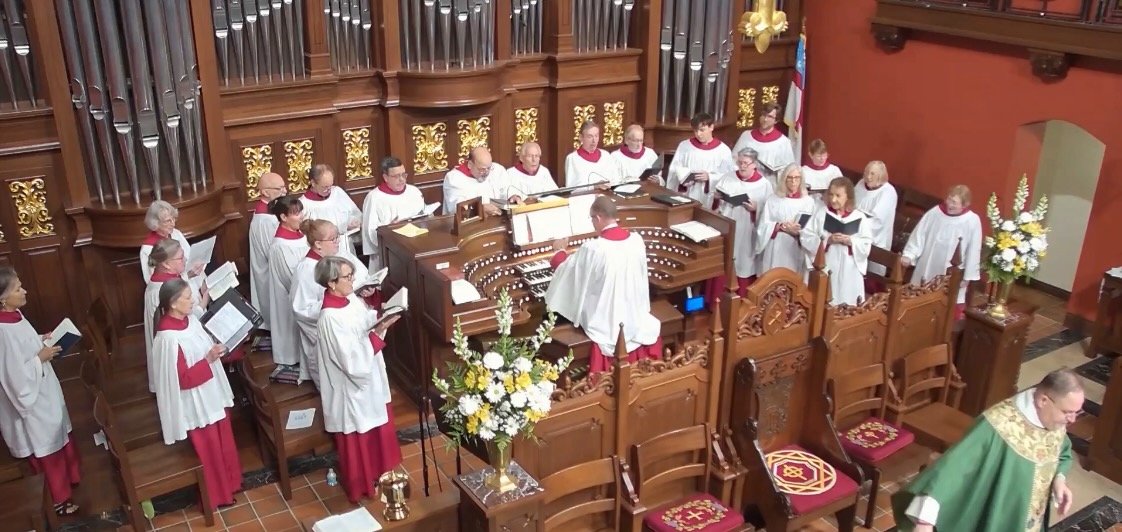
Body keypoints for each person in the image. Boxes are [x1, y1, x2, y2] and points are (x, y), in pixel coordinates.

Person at [892, 369, 1082, 532]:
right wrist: (924, 522)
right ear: (1043, 400)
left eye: (1077, 412)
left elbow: (1062, 451)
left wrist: (1059, 479)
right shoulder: (997, 426)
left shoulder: (1053, 422)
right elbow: (952, 469)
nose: (1073, 420)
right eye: (1068, 412)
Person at [314, 256, 403, 503]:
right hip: (350, 388)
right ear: (331, 283)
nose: (353, 280)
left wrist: (382, 316)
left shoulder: (350, 299)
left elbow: (364, 323)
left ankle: (381, 474)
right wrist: (378, 332)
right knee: (360, 433)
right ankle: (363, 485)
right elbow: (349, 360)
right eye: (347, 276)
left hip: (370, 377)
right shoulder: (329, 318)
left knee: (377, 425)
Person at [151, 278, 242, 509]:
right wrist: (208, 359)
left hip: (211, 392)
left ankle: (231, 484)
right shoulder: (168, 338)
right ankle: (216, 496)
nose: (192, 300)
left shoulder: (189, 320)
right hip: (195, 403)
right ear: (173, 303)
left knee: (223, 442)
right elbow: (182, 379)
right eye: (187, 297)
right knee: (209, 451)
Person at [545, 196, 662, 374]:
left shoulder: (594, 249)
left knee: (560, 313)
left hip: (606, 321)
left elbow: (568, 272)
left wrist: (559, 251)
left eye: (592, 219)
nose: (593, 223)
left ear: (598, 218)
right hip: (633, 313)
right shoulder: (636, 241)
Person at [0, 267, 82, 516]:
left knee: (57, 429)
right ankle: (57, 500)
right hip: (30, 398)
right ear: (2, 298)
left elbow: (24, 346)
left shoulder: (15, 315)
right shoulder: (2, 331)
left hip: (44, 386)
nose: (24, 291)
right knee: (45, 443)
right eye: (18, 289)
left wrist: (41, 339)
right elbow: (13, 376)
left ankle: (70, 478)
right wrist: (40, 358)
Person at [291, 220, 381, 388]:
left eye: (337, 236)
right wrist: (339, 301)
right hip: (334, 334)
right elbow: (301, 310)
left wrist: (364, 291)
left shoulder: (340, 256)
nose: (338, 241)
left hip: (352, 329)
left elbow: (359, 279)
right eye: (333, 239)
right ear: (318, 244)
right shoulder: (306, 269)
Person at [901, 185, 982, 317]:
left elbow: (974, 249)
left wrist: (967, 276)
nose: (949, 204)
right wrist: (909, 254)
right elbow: (920, 234)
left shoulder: (972, 220)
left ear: (964, 204)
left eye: (954, 202)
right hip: (928, 263)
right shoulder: (935, 213)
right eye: (949, 199)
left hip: (952, 270)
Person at [706, 148, 774, 302]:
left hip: (747, 231)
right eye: (740, 162)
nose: (742, 166)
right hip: (727, 228)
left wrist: (756, 209)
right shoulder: (727, 178)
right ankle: (716, 302)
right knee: (724, 261)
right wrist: (716, 198)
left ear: (754, 164)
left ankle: (742, 305)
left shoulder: (764, 185)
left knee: (743, 264)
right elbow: (713, 203)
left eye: (746, 163)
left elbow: (770, 213)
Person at [144, 238, 209, 392]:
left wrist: (189, 275)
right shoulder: (160, 291)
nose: (185, 260)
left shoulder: (165, 278)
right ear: (166, 264)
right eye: (180, 258)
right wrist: (204, 301)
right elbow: (182, 322)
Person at [800, 178, 873, 306]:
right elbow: (806, 236)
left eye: (838, 196)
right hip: (827, 264)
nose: (833, 199)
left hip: (849, 269)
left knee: (847, 302)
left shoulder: (859, 217)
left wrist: (851, 241)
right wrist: (828, 240)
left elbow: (866, 244)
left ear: (848, 197)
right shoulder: (821, 213)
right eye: (831, 194)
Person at [267, 196, 310, 369]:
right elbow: (290, 278)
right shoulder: (280, 246)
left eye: (300, 212)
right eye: (296, 213)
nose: (301, 216)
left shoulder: (301, 235)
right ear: (283, 217)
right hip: (292, 296)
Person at [361, 157, 425, 271]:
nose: (401, 180)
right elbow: (370, 231)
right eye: (396, 176)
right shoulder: (374, 198)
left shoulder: (413, 191)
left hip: (416, 247)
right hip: (388, 254)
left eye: (404, 175)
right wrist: (389, 229)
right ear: (385, 177)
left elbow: (424, 215)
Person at [757, 164, 816, 277]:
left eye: (797, 178)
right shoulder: (773, 199)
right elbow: (763, 225)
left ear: (801, 180)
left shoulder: (808, 202)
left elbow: (812, 229)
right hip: (776, 246)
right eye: (790, 178)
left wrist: (798, 232)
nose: (793, 181)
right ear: (784, 179)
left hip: (795, 247)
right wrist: (779, 226)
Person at [667, 113, 735, 208]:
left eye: (702, 130)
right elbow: (674, 169)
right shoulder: (685, 146)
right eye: (696, 130)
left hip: (709, 197)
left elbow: (729, 176)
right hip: (687, 193)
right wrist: (686, 176)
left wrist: (710, 177)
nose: (698, 134)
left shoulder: (723, 150)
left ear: (711, 127)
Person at [248, 172, 287, 331]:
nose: (285, 191)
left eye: (284, 187)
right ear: (265, 192)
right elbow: (272, 253)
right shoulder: (265, 220)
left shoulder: (271, 212)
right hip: (271, 275)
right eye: (279, 188)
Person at [299, 164, 363, 257]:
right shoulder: (304, 204)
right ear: (313, 183)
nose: (329, 189)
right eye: (325, 187)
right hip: (324, 255)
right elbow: (307, 235)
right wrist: (343, 227)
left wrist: (354, 222)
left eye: (330, 185)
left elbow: (355, 213)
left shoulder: (338, 192)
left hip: (346, 248)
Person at [854, 160, 898, 286]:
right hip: (856, 234)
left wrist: (856, 223)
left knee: (873, 279)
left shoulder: (888, 192)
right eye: (867, 172)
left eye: (872, 174)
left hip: (877, 239)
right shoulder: (860, 184)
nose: (868, 177)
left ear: (881, 176)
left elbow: (878, 221)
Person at [732, 102, 796, 186]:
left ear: (776, 120)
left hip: (770, 186)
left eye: (770, 117)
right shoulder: (746, 136)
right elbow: (734, 160)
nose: (765, 119)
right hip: (745, 184)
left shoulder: (783, 142)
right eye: (763, 115)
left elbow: (789, 170)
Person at [139, 200, 199, 281]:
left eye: (173, 219)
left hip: (192, 276)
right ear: (156, 223)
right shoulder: (148, 249)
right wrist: (186, 276)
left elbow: (189, 256)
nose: (173, 224)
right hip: (175, 286)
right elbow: (153, 281)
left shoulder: (176, 233)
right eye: (168, 221)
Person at [441, 146, 510, 215]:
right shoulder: (454, 178)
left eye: (489, 168)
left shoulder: (497, 170)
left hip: (496, 219)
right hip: (469, 221)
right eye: (482, 169)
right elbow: (457, 208)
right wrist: (480, 208)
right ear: (470, 164)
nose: (486, 173)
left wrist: (512, 196)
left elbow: (506, 193)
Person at [564, 121, 623, 190]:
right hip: (586, 196)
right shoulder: (572, 158)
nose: (594, 140)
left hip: (607, 194)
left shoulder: (606, 155)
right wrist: (594, 186)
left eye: (596, 136)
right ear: (581, 137)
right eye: (590, 136)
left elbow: (616, 180)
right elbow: (571, 188)